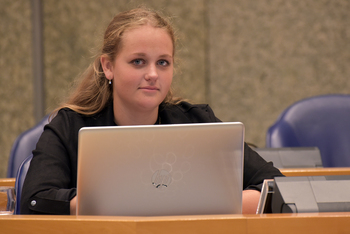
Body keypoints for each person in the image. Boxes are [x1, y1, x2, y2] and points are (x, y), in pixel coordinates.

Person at [21, 7, 283, 215]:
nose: (153, 74)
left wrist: (205, 204)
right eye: (138, 61)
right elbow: (35, 200)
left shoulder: (196, 122)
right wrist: (118, 204)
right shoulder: (69, 126)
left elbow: (275, 186)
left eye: (163, 62)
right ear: (108, 66)